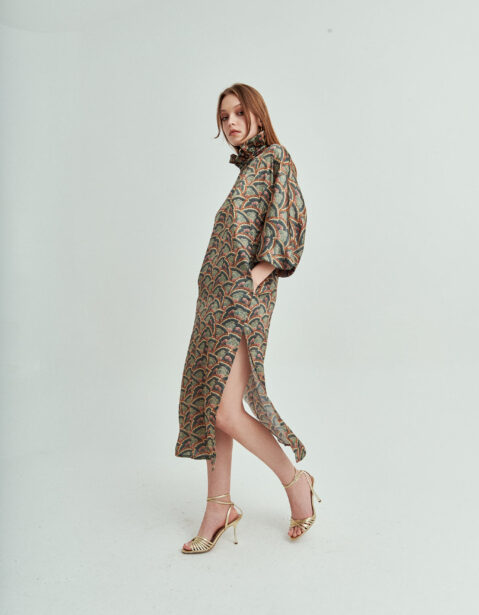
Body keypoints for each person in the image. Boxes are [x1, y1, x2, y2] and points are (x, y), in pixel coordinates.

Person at [175, 83, 321, 554]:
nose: (232, 122)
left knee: (225, 409)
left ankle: (296, 481)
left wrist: (255, 277)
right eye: (224, 117)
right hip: (215, 299)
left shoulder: (276, 159)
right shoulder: (247, 172)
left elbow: (288, 218)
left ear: (258, 113)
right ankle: (218, 505)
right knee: (213, 405)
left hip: (242, 298)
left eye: (239, 112)